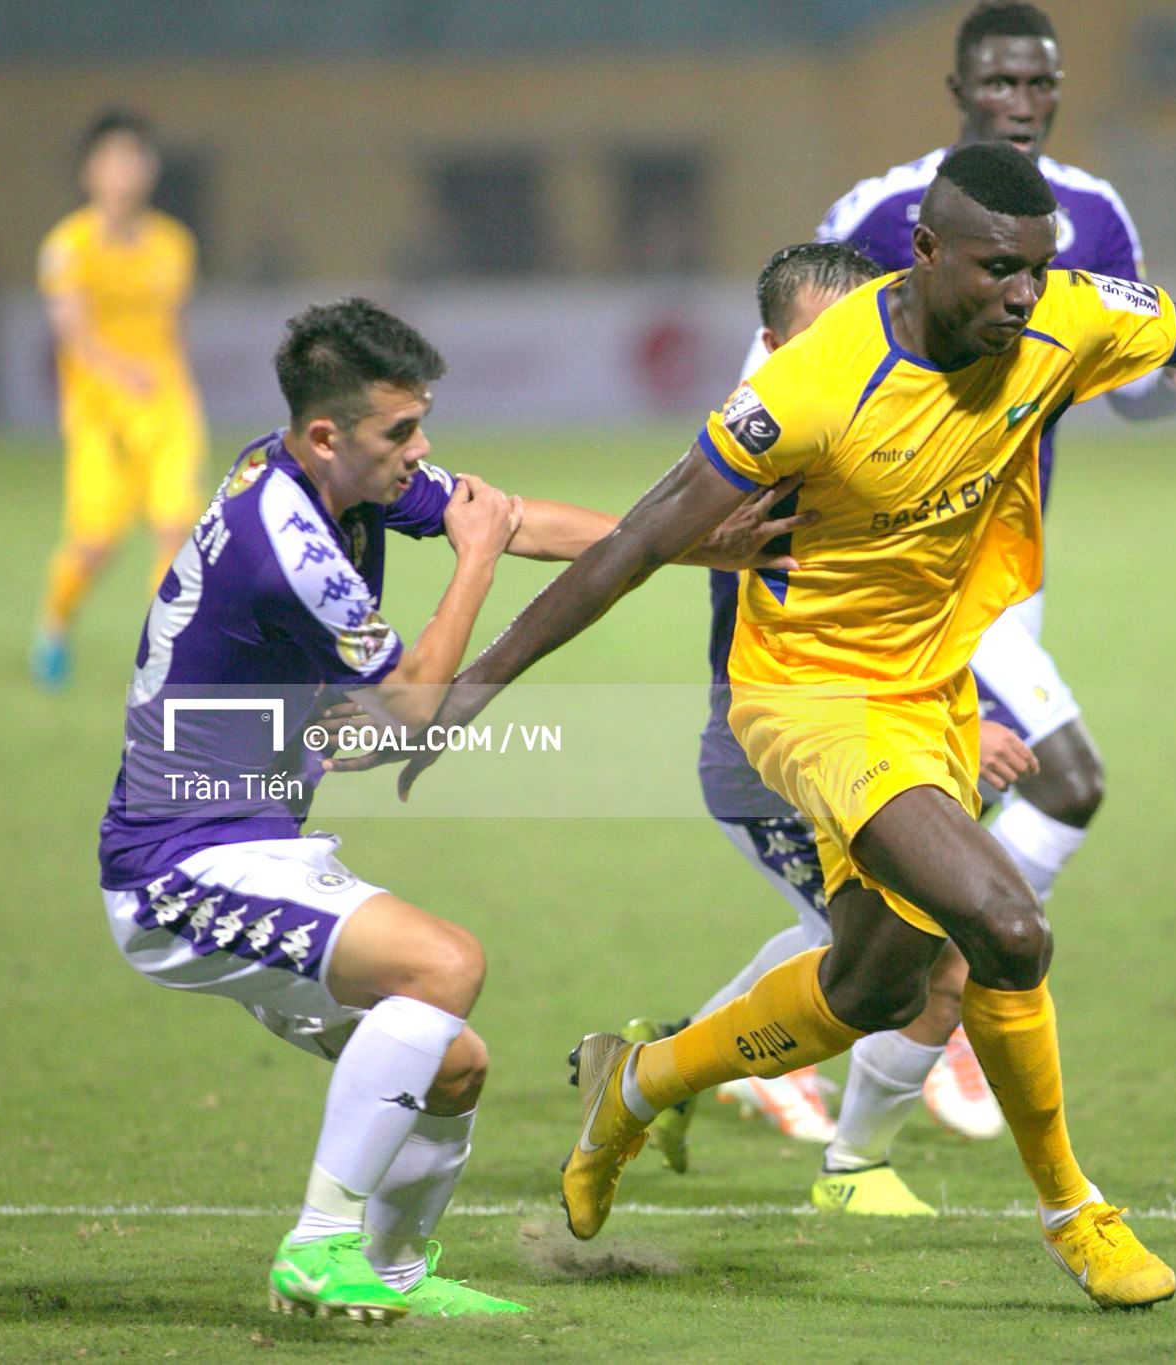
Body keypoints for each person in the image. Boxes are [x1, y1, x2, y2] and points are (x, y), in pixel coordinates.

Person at [359, 142, 1176, 1309]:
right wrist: (469, 691)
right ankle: (1077, 1212)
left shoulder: (1063, 316)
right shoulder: (816, 383)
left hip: (933, 691)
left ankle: (634, 1089)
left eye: (1036, 267)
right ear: (924, 247)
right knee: (1004, 924)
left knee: (868, 986)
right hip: (804, 694)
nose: (1023, 293)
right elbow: (638, 540)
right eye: (996, 269)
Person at [99, 297, 801, 1323]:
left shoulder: (325, 468)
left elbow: (510, 518)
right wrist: (470, 555)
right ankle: (318, 1246)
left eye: (420, 425)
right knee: (445, 964)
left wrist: (702, 545)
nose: (419, 453)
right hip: (177, 863)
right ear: (327, 434)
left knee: (449, 1063)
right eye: (401, 434)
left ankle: (383, 1275)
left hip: (253, 840)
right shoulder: (281, 541)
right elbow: (416, 712)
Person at [698, 3, 1176, 1187]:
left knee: (884, 915)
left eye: (1037, 80)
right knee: (1061, 784)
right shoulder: (874, 213)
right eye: (997, 78)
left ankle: (734, 1047)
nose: (1019, 97)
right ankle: (920, 1047)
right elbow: (782, 371)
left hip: (1000, 565)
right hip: (904, 578)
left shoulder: (1093, 214)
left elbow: (1129, 382)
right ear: (957, 84)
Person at [625, 242, 1042, 1217]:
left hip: (863, 743)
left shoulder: (871, 434)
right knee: (913, 949)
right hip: (776, 756)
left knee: (867, 944)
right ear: (768, 347)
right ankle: (847, 1164)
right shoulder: (758, 452)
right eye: (813, 342)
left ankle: (679, 1061)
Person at [32, 110, 207, 688]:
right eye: (113, 160)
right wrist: (122, 372)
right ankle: (54, 626)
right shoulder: (68, 246)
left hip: (165, 405)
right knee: (94, 543)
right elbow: (73, 336)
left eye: (135, 159)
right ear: (89, 171)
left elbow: (172, 331)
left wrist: (171, 389)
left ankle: (167, 656)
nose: (125, 172)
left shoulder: (173, 245)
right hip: (101, 412)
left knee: (176, 527)